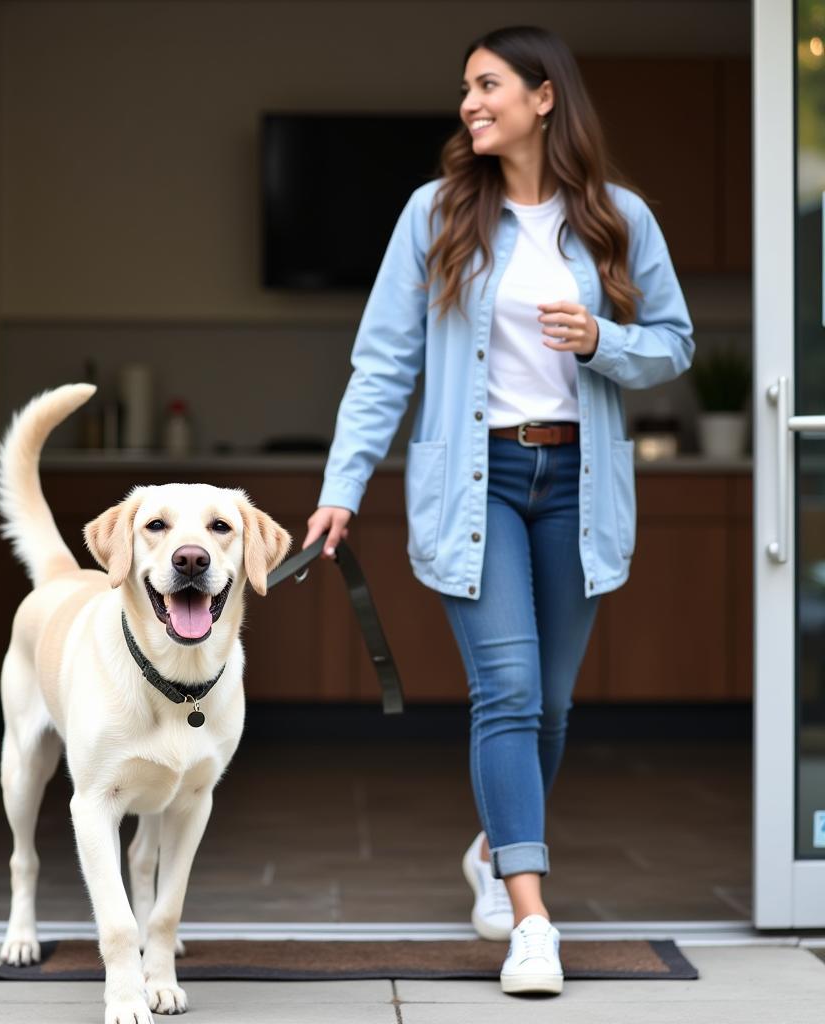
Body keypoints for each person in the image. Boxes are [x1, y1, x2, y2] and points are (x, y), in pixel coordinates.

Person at [303, 25, 694, 997]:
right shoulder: (433, 214)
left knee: (550, 704)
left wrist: (602, 337)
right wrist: (341, 487)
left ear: (543, 96)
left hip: (576, 484)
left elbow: (674, 345)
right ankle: (530, 920)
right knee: (509, 691)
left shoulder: (617, 218)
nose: (471, 103)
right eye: (466, 90)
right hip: (474, 484)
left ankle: (491, 849)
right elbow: (384, 362)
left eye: (488, 85)